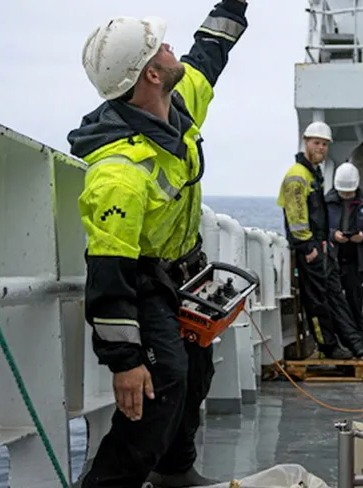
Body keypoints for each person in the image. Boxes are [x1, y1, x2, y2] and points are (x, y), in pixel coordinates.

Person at [66, 2, 248, 486]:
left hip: (184, 272)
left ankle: (175, 472)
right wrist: (125, 363)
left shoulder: (177, 100)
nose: (174, 49)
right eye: (163, 47)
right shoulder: (118, 175)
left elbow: (209, 52)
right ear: (151, 73)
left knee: (196, 371)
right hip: (143, 282)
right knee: (159, 386)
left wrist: (233, 5)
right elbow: (108, 271)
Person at [277, 122, 363, 360]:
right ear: (306, 142)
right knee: (318, 301)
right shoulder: (297, 177)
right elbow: (297, 218)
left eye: (324, 144)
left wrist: (322, 244)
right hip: (310, 250)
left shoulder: (313, 174)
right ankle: (327, 346)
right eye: (317, 143)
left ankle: (355, 345)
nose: (321, 148)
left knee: (335, 297)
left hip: (322, 248)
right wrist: (308, 247)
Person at [325, 162, 363, 335]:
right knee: (332, 301)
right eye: (343, 192)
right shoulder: (327, 203)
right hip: (333, 260)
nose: (346, 195)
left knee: (355, 302)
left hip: (356, 262)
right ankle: (337, 338)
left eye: (349, 192)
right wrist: (333, 235)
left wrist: (362, 237)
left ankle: (357, 337)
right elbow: (319, 228)